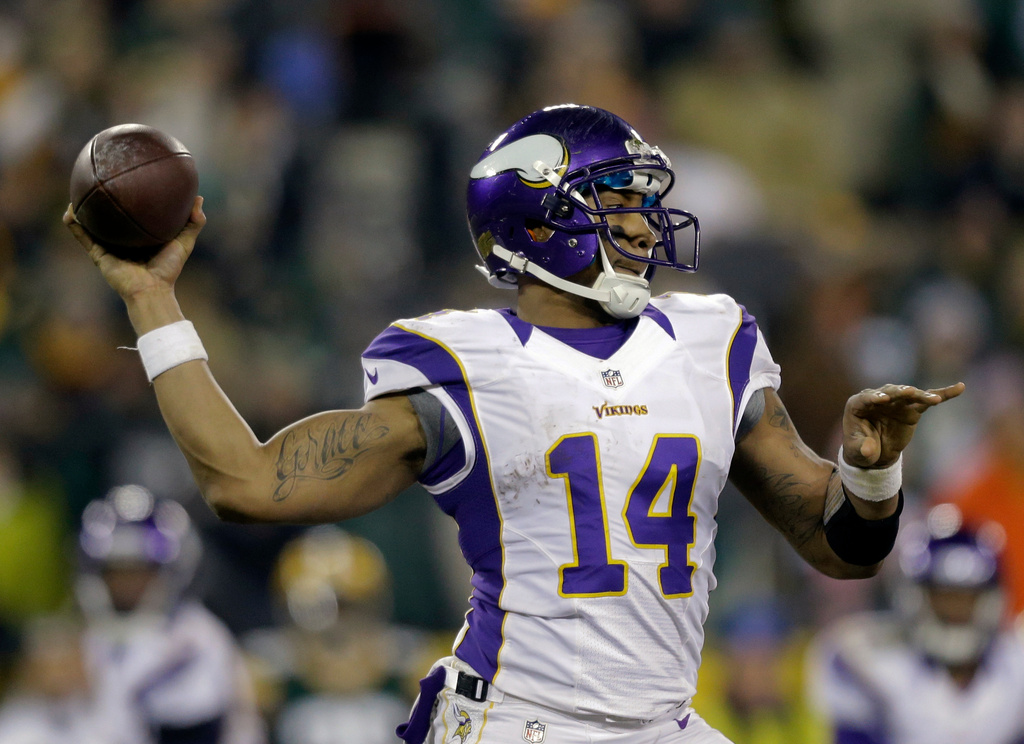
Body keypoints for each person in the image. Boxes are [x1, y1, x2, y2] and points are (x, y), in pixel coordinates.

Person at [64, 103, 964, 743]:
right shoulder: (468, 364)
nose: (648, 226)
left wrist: (870, 473)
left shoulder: (710, 338)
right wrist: (152, 301)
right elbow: (245, 483)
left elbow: (842, 548)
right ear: (546, 217)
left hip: (663, 719)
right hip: (522, 721)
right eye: (618, 202)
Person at [807, 503, 1024, 744]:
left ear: (991, 601)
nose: (955, 609)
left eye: (967, 596)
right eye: (943, 595)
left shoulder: (1016, 662)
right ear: (915, 597)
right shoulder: (866, 659)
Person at [75, 484, 266, 744]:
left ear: (167, 572)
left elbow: (199, 726)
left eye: (137, 570)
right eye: (115, 570)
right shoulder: (84, 639)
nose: (125, 583)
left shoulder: (194, 639)